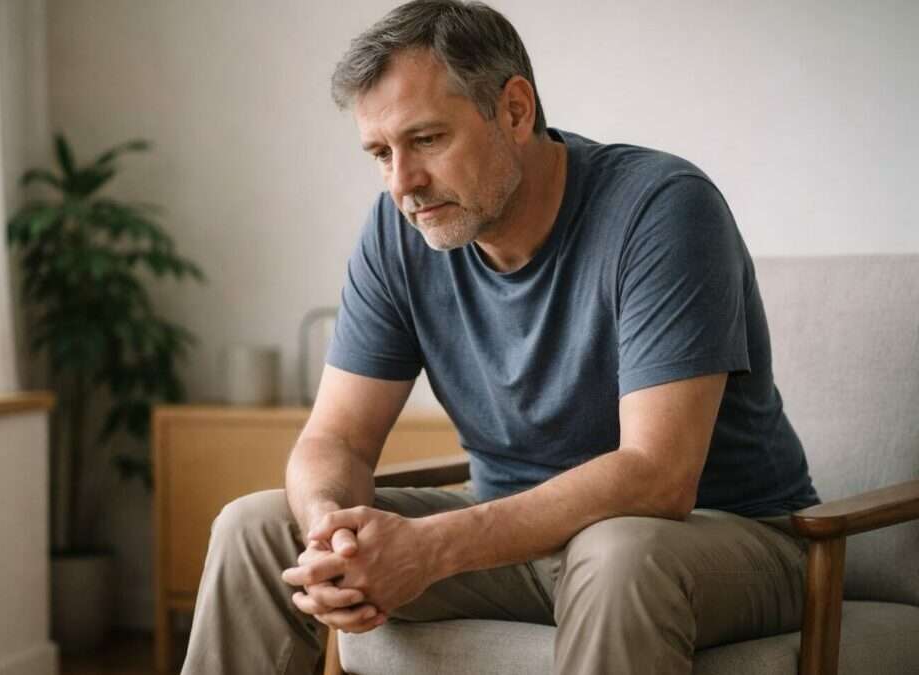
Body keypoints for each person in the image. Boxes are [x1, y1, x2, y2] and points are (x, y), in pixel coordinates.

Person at [181, 1, 820, 673]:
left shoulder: (661, 209)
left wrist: (432, 546)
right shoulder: (399, 232)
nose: (403, 184)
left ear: (514, 110)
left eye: (427, 139)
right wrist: (329, 533)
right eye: (381, 153)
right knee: (257, 528)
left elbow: (657, 476)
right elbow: (335, 439)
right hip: (518, 543)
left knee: (618, 553)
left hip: (718, 538)